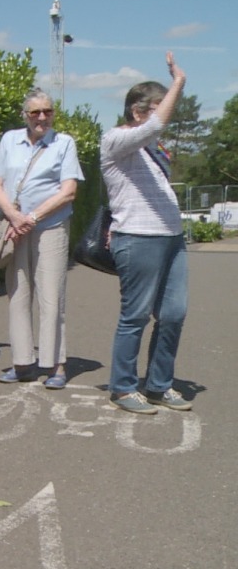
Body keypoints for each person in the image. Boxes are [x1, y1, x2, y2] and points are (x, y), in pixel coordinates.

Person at [101, 54, 191, 415]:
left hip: (172, 237)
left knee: (173, 314)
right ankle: (123, 387)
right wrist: (179, 84)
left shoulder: (152, 149)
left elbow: (154, 134)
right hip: (138, 237)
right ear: (138, 112)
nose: (164, 117)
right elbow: (154, 127)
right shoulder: (115, 140)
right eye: (157, 108)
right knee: (135, 316)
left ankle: (158, 384)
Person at [0, 90, 82, 390]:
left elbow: (68, 191)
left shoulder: (64, 143)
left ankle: (56, 365)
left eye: (47, 111)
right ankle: (22, 363)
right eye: (35, 112)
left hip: (50, 227)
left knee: (51, 297)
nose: (42, 117)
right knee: (18, 294)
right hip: (15, 227)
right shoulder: (9, 140)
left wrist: (31, 218)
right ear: (24, 115)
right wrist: (14, 218)